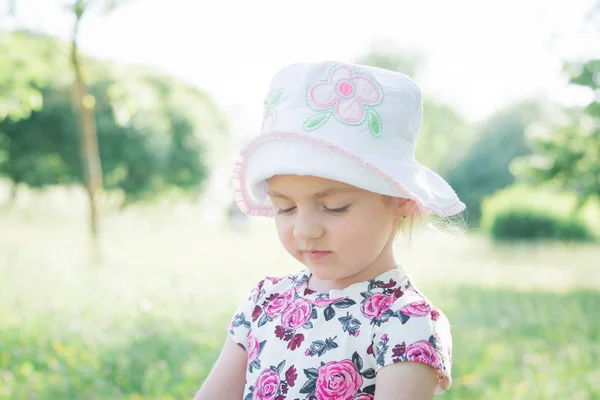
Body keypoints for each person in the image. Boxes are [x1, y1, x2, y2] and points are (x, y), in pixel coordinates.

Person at [195, 61, 466, 400]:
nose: (305, 230)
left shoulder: (405, 323)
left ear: (402, 201)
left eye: (334, 207)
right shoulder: (265, 302)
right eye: (285, 207)